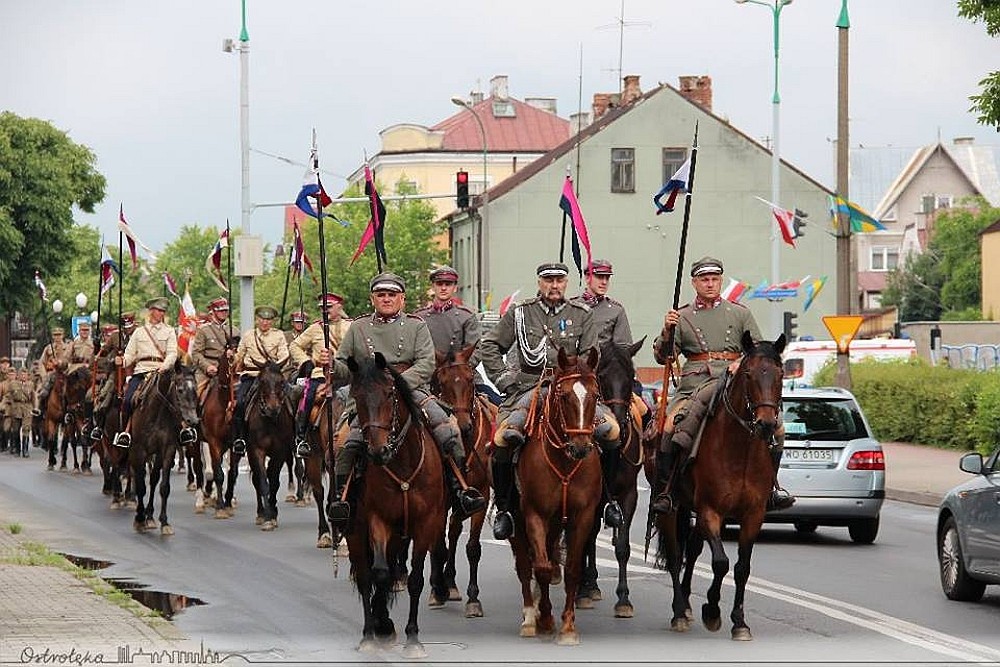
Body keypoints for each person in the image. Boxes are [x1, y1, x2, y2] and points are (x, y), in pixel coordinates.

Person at [325, 272, 486, 525]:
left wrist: (398, 385)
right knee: (345, 442)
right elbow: (346, 368)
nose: (386, 299)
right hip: (370, 396)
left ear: (402, 298)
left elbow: (426, 363)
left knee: (448, 431)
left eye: (391, 295)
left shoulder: (416, 325)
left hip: (412, 390)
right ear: (372, 298)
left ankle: (459, 490)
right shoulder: (358, 327)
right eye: (381, 295)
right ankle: (342, 497)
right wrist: (331, 365)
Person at [478, 261, 621, 540]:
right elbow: (490, 346)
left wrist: (578, 379)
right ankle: (505, 508)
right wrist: (505, 380)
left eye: (559, 280)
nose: (554, 285)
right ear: (539, 282)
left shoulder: (581, 314)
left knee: (611, 432)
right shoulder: (521, 313)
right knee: (502, 439)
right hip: (528, 387)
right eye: (548, 280)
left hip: (571, 389)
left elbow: (592, 355)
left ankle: (609, 500)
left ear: (567, 283)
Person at [649, 256, 794, 514]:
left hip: (733, 382)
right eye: (704, 279)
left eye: (714, 279)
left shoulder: (739, 313)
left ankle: (771, 486)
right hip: (694, 385)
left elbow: (760, 352)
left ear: (720, 281)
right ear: (694, 283)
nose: (710, 284)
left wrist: (741, 362)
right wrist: (666, 331)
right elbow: (663, 357)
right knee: (670, 426)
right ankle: (667, 490)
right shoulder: (681, 316)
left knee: (778, 429)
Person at [289, 293, 351, 458]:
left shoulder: (351, 326)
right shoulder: (315, 328)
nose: (325, 311)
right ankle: (301, 437)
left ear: (339, 307)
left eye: (329, 307)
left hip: (346, 376)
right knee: (308, 397)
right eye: (322, 308)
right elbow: (295, 345)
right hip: (320, 375)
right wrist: (305, 362)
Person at [113, 298, 179, 448]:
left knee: (179, 400)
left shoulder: (169, 331)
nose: (161, 313)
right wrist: (122, 361)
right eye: (158, 310)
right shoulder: (139, 332)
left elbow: (172, 353)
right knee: (128, 400)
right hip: (142, 371)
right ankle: (126, 432)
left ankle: (181, 432)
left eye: (163, 311)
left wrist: (165, 366)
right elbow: (130, 354)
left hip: (162, 372)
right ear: (151, 311)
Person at [231, 305, 289, 454]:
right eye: (262, 319)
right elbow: (240, 355)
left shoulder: (279, 335)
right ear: (257, 320)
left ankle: (294, 438)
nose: (265, 323)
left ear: (273, 321)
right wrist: (232, 358)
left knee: (291, 401)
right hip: (252, 375)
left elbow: (284, 355)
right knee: (241, 403)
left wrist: (274, 366)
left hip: (273, 376)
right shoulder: (249, 336)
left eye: (268, 320)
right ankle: (241, 438)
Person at [190, 297, 235, 394]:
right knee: (196, 396)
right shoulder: (203, 330)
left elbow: (240, 352)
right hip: (209, 369)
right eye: (220, 311)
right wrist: (207, 367)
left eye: (226, 310)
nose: (224, 313)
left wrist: (234, 354)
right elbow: (196, 353)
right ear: (213, 312)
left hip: (229, 370)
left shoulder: (234, 330)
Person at [33, 327, 70, 417]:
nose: (57, 337)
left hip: (64, 374)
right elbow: (41, 362)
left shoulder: (68, 347)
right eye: (55, 335)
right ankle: (38, 408)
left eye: (59, 335)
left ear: (63, 336)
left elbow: (70, 361)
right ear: (53, 337)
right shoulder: (48, 348)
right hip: (50, 373)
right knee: (40, 390)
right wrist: (44, 375)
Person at [7, 368, 34, 457]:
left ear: (27, 376)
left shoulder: (30, 384)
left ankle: (25, 450)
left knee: (26, 429)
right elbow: (9, 396)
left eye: (25, 375)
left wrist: (35, 408)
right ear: (18, 376)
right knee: (16, 429)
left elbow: (34, 397)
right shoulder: (13, 384)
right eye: (22, 375)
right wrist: (12, 406)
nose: (23, 376)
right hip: (17, 408)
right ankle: (18, 449)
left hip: (27, 407)